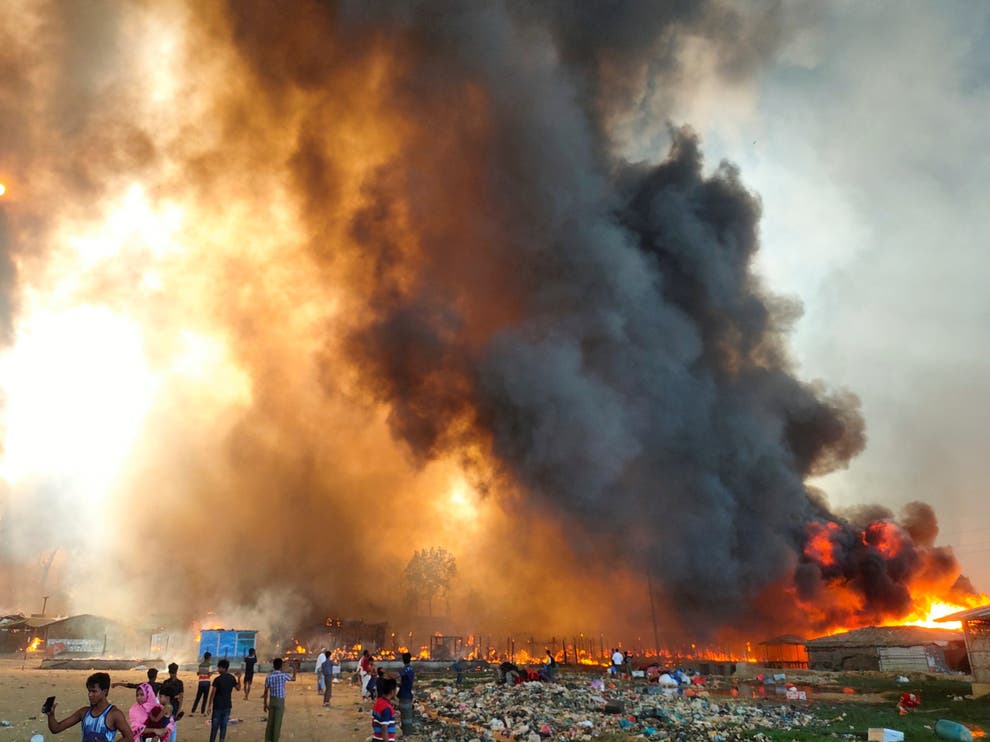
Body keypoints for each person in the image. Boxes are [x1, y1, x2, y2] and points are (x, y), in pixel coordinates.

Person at [45, 671, 134, 741]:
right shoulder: (83, 712)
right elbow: (56, 729)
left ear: (105, 692)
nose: (90, 695)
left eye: (94, 691)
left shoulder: (114, 714)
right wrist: (51, 715)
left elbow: (129, 738)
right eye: (89, 691)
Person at [205, 659, 240, 742]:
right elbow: (238, 688)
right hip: (227, 706)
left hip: (217, 707)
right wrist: (239, 678)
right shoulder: (232, 678)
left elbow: (212, 693)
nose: (218, 669)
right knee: (223, 727)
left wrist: (209, 706)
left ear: (223, 668)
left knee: (214, 727)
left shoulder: (217, 680)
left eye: (219, 668)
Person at [262, 657, 296, 742]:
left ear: (273, 666)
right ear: (281, 666)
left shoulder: (269, 677)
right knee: (277, 722)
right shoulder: (283, 675)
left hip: (272, 700)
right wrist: (295, 668)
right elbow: (294, 679)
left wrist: (265, 704)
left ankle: (268, 739)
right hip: (280, 701)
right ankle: (275, 739)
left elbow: (266, 692)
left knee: (270, 722)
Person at [158, 663, 184, 742]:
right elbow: (181, 697)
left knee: (169, 727)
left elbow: (180, 698)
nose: (171, 674)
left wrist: (178, 711)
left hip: (170, 708)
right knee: (171, 728)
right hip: (170, 708)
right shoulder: (179, 683)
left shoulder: (166, 682)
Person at [371, 678, 397, 742]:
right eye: (395, 690)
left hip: (376, 737)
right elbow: (384, 729)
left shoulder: (378, 702)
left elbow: (373, 721)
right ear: (392, 691)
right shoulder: (387, 708)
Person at [396, 651, 415, 736]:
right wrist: (399, 684)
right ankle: (407, 732)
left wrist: (386, 675)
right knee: (407, 714)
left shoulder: (405, 669)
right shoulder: (411, 669)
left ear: (403, 660)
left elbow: (397, 675)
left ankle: (406, 734)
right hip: (408, 693)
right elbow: (407, 682)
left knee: (405, 714)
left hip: (404, 694)